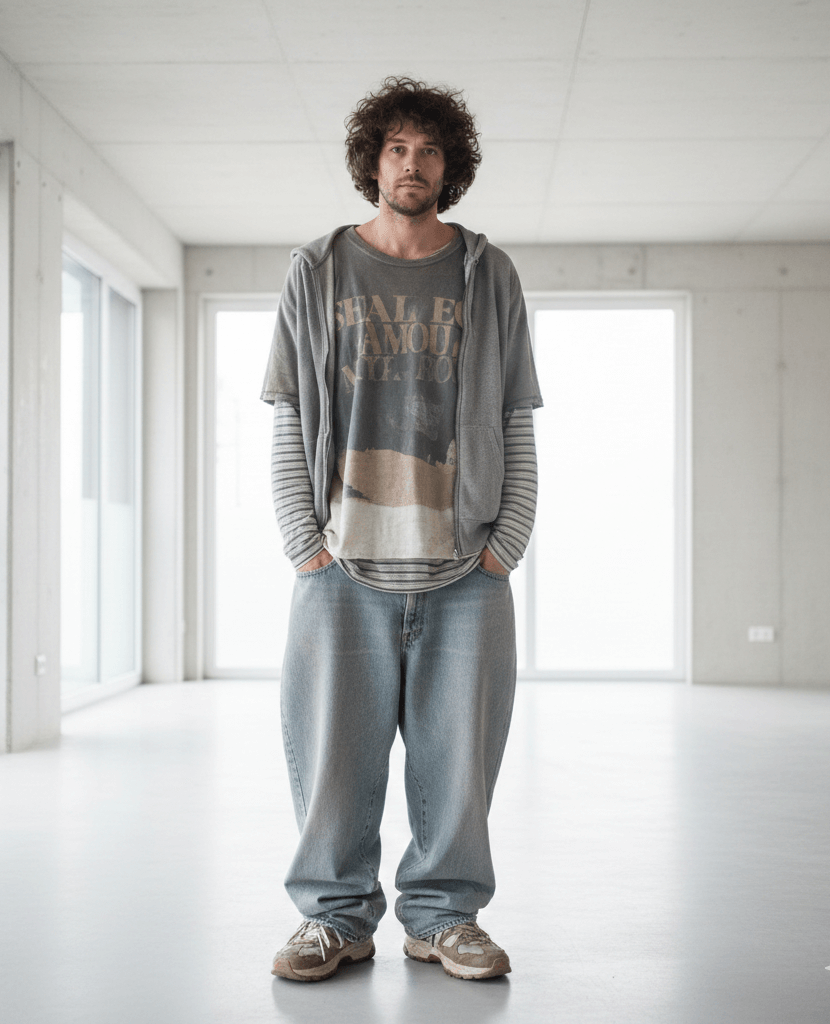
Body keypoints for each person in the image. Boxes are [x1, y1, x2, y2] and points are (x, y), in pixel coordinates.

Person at [261, 75, 541, 983]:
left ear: (449, 167)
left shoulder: (487, 273)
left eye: (428, 150)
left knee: (460, 765)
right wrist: (302, 540)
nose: (411, 164)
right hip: (341, 565)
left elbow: (516, 416)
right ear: (371, 161)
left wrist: (511, 541)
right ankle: (334, 920)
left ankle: (444, 917)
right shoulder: (319, 269)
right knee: (333, 760)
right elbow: (287, 408)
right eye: (396, 148)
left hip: (467, 566)